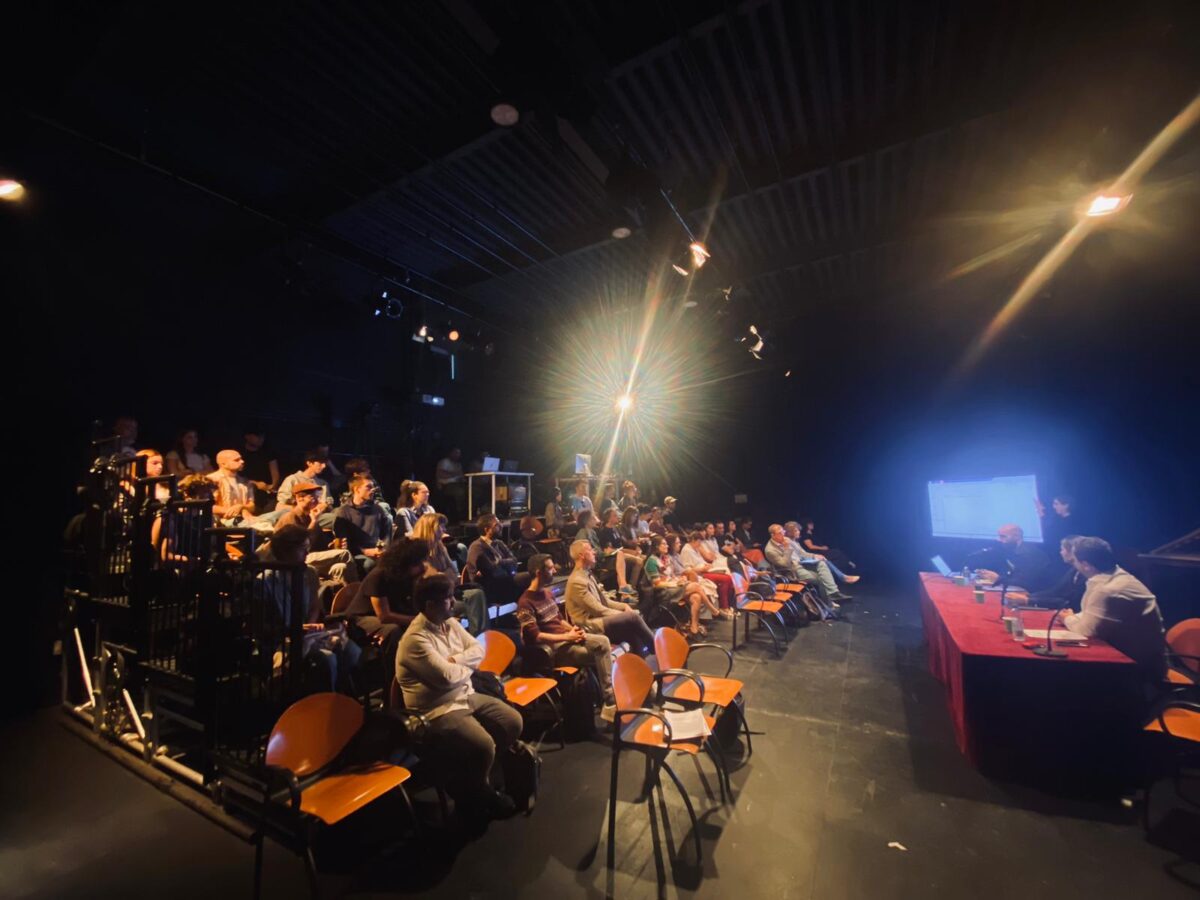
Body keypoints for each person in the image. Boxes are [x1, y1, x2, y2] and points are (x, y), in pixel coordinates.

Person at [396, 573, 521, 821]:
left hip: (465, 694)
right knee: (484, 745)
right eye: (448, 598)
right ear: (430, 605)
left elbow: (479, 649)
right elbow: (445, 678)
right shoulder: (415, 640)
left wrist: (456, 662)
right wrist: (465, 667)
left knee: (512, 722)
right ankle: (479, 792)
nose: (454, 602)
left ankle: (475, 777)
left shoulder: (450, 623)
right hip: (436, 709)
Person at [517, 554, 616, 720]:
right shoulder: (525, 603)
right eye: (550, 568)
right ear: (538, 572)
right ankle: (610, 700)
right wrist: (568, 638)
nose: (555, 570)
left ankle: (609, 698)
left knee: (603, 641)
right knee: (601, 653)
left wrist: (575, 631)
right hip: (553, 650)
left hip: (566, 639)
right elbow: (536, 637)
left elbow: (559, 620)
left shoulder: (548, 594)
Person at [1060, 537, 1165, 676]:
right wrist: (1073, 617)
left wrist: (1068, 619)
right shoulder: (1112, 577)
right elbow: (1091, 614)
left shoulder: (1109, 589)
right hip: (1134, 656)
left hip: (1138, 667)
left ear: (1086, 565)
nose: (1073, 564)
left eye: (1074, 560)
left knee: (1062, 671)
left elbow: (1087, 632)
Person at [345, 538, 430, 670]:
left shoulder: (408, 575)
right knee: (393, 631)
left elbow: (414, 602)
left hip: (394, 612)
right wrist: (417, 620)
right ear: (407, 563)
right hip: (362, 618)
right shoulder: (379, 576)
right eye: (418, 563)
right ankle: (394, 676)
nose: (422, 566)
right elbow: (384, 616)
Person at [563, 539, 654, 654]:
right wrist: (625, 615)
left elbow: (604, 601)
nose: (594, 552)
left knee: (632, 630)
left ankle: (639, 666)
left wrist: (624, 606)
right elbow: (597, 609)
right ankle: (657, 649)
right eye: (590, 550)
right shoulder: (577, 581)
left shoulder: (587, 574)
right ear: (582, 555)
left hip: (599, 619)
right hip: (590, 625)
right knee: (633, 617)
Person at [412, 512, 488, 635]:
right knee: (473, 603)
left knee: (477, 594)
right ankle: (478, 640)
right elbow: (431, 580)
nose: (444, 529)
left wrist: (443, 576)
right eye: (441, 526)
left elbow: (453, 572)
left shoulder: (440, 547)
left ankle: (481, 639)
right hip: (435, 599)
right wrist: (444, 576)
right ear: (430, 528)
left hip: (449, 592)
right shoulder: (416, 551)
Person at [645, 535, 727, 636]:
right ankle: (714, 611)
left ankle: (694, 629)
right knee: (696, 586)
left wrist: (680, 579)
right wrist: (675, 583)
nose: (667, 546)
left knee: (696, 597)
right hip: (663, 593)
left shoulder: (665, 558)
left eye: (666, 544)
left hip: (674, 588)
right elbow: (657, 584)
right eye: (664, 544)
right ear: (657, 546)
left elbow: (673, 575)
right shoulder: (651, 561)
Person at [274, 481, 353, 582]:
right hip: (296, 558)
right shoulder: (290, 517)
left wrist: (332, 546)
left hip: (311, 556)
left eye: (318, 498)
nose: (316, 501)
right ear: (299, 498)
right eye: (312, 498)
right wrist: (314, 522)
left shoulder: (310, 516)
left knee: (341, 567)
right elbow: (301, 545)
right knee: (344, 554)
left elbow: (320, 544)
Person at [764, 524, 845, 603]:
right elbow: (785, 564)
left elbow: (802, 553)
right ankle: (828, 603)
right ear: (773, 535)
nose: (783, 534)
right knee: (821, 578)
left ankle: (834, 593)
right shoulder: (770, 550)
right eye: (780, 533)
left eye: (783, 532)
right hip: (792, 571)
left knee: (821, 563)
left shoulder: (787, 540)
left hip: (802, 563)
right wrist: (787, 549)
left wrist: (814, 556)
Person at [334, 474, 391, 578]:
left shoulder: (378, 509)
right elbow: (343, 542)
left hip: (377, 551)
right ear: (357, 489)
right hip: (356, 553)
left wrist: (382, 548)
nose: (372, 490)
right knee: (369, 564)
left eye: (373, 487)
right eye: (368, 487)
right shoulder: (344, 512)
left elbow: (386, 533)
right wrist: (364, 551)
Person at [976, 524, 1051, 592]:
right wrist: (990, 575)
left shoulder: (1030, 554)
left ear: (1017, 536)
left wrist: (998, 579)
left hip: (1032, 595)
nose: (999, 540)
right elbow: (1010, 575)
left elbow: (1026, 582)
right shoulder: (1011, 551)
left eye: (1003, 536)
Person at [466, 513, 520, 606]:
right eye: (497, 525)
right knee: (523, 579)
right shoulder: (477, 547)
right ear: (487, 530)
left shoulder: (499, 543)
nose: (501, 526)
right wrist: (505, 564)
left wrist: (499, 562)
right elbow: (489, 569)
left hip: (504, 579)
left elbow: (514, 560)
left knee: (527, 577)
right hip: (488, 585)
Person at [786, 521, 859, 585]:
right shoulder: (788, 542)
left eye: (798, 530)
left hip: (804, 559)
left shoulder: (795, 542)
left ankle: (843, 576)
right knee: (826, 560)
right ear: (790, 532)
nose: (798, 532)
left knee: (827, 558)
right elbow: (800, 556)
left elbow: (803, 553)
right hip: (799, 564)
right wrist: (815, 555)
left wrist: (815, 556)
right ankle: (843, 577)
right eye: (796, 531)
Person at [1027, 536, 1087, 609]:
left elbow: (1068, 602)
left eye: (1062, 549)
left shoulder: (1086, 576)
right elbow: (1055, 591)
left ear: (1072, 552)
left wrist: (1029, 600)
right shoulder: (1073, 571)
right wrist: (1028, 596)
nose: (1060, 552)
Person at [208, 449, 263, 527]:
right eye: (237, 460)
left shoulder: (245, 482)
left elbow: (252, 506)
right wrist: (239, 511)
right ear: (223, 464)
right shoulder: (211, 480)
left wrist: (241, 507)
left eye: (241, 459)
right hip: (222, 521)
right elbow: (208, 506)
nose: (242, 461)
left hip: (245, 518)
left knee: (281, 513)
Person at [240, 427, 280, 512]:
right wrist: (255, 483)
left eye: (263, 437)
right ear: (247, 436)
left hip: (265, 492)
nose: (261, 439)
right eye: (258, 436)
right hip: (246, 490)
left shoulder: (268, 453)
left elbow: (275, 474)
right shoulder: (239, 454)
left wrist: (271, 486)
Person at [435, 447, 466, 520]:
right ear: (451, 453)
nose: (457, 455)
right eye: (456, 453)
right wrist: (455, 474)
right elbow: (441, 474)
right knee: (460, 493)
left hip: (458, 483)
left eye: (459, 453)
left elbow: (460, 474)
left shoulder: (458, 464)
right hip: (446, 485)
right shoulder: (444, 462)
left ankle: (465, 515)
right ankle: (459, 516)